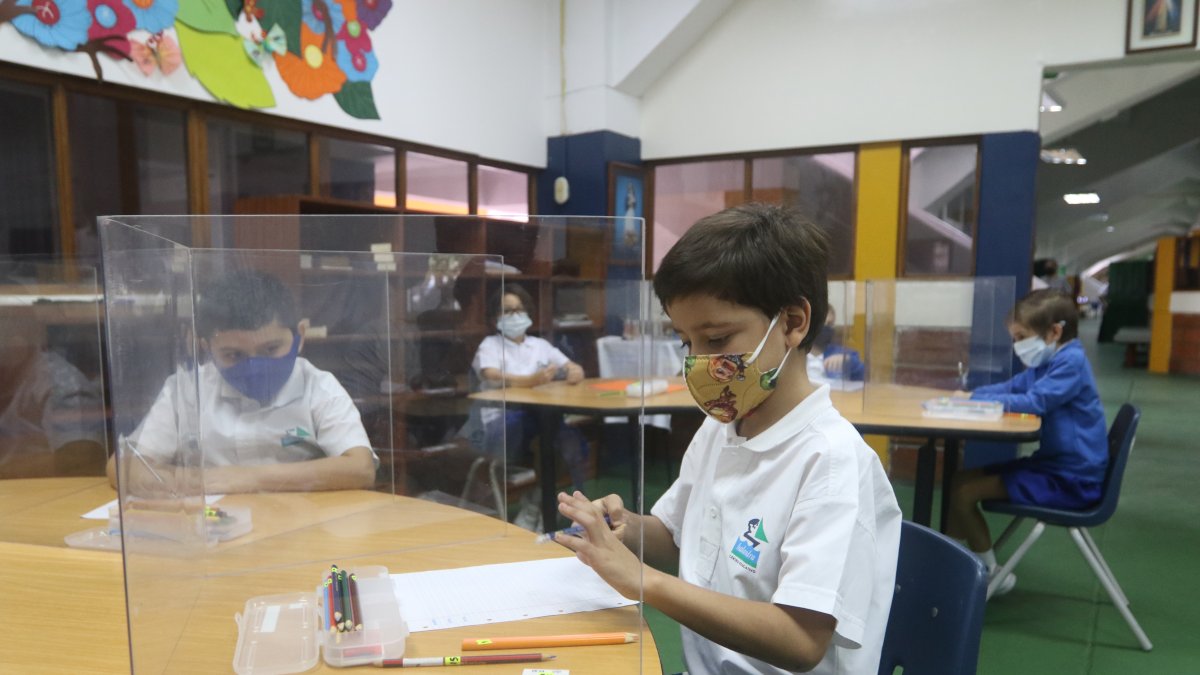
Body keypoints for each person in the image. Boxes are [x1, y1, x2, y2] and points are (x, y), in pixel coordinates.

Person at [552, 203, 902, 674]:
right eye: (686, 341)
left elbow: (801, 640)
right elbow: (680, 539)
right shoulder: (721, 426)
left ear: (793, 322)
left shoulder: (831, 462)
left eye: (716, 340)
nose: (697, 362)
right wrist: (625, 529)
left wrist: (644, 581)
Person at [107, 270, 377, 494]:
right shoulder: (186, 390)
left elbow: (360, 468)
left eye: (271, 349)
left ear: (300, 336)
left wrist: (245, 478)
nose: (255, 366)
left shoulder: (319, 386)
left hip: (302, 525)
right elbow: (121, 467)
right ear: (207, 348)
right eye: (233, 354)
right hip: (217, 527)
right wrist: (192, 483)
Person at [947, 289, 1106, 595]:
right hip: (1053, 466)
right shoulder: (1048, 362)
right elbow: (1013, 387)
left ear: (1054, 332)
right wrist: (970, 397)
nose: (1017, 346)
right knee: (958, 481)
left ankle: (988, 575)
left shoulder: (1070, 362)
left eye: (1021, 337)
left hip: (1073, 479)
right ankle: (954, 561)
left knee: (965, 493)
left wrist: (976, 401)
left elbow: (1035, 401)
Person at [470, 284, 587, 530]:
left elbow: (572, 367)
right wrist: (531, 380)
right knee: (549, 439)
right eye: (507, 311)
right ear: (494, 317)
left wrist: (573, 372)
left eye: (519, 309)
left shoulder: (539, 345)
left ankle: (537, 503)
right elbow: (491, 375)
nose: (515, 315)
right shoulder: (490, 345)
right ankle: (540, 505)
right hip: (502, 424)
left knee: (569, 441)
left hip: (539, 422)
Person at [1, 318, 106, 479]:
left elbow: (80, 462)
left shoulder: (59, 383)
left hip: (43, 488)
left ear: (16, 347)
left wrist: (7, 470)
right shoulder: (8, 378)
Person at [808, 305, 864, 383]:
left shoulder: (842, 353)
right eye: (822, 323)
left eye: (830, 324)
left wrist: (848, 362)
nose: (825, 328)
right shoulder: (795, 353)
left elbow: (865, 374)